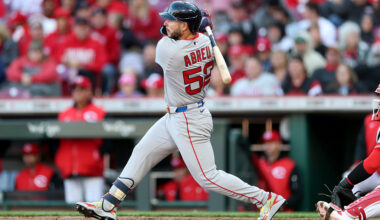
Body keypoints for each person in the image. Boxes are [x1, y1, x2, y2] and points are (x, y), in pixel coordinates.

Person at [76, 2, 286, 220]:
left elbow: (168, 36)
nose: (165, 22)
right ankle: (109, 204)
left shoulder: (168, 51)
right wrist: (201, 24)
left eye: (171, 19)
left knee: (207, 177)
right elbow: (188, 35)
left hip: (189, 119)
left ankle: (265, 199)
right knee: (141, 153)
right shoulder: (205, 41)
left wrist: (198, 21)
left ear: (185, 26)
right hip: (177, 115)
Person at [316, 84, 380, 220]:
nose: (378, 102)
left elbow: (374, 160)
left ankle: (346, 214)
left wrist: (347, 183)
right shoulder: (370, 121)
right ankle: (345, 211)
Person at [55, 76, 106, 204]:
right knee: (72, 211)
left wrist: (98, 156)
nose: (77, 92)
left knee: (94, 209)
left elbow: (108, 141)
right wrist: (60, 159)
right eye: (75, 89)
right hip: (69, 170)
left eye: (81, 89)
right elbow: (55, 141)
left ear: (89, 91)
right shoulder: (64, 114)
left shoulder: (99, 112)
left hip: (93, 170)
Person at [252, 130, 303, 211]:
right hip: (261, 213)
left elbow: (297, 194)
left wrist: (282, 206)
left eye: (271, 143)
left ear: (279, 144)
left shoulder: (289, 165)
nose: (268, 146)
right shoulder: (259, 163)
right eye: (266, 143)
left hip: (284, 214)